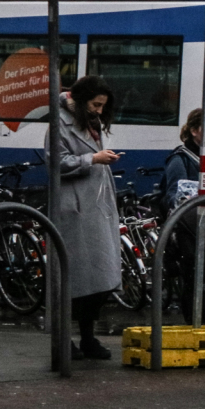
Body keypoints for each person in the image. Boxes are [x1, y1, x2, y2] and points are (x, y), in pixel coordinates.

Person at [42, 75, 122, 361]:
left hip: (96, 208)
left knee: (99, 280)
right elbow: (55, 162)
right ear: (80, 99)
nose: (99, 111)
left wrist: (103, 157)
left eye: (103, 107)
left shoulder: (90, 121)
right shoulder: (59, 123)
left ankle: (88, 337)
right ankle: (67, 339)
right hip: (74, 211)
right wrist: (93, 159)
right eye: (96, 105)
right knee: (73, 279)